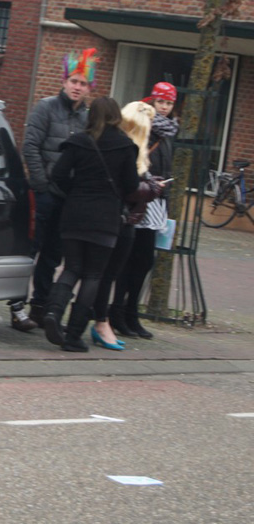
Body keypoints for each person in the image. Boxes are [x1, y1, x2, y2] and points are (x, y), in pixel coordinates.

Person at [42, 97, 139, 352]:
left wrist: (75, 191)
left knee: (71, 268)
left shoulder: (78, 142)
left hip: (74, 213)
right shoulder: (125, 146)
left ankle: (52, 312)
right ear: (116, 116)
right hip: (105, 218)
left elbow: (58, 175)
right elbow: (131, 186)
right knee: (93, 275)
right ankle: (74, 335)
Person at [16, 48, 92, 331]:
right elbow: (31, 146)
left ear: (89, 88)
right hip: (44, 193)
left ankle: (40, 306)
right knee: (31, 250)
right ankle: (17, 306)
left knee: (53, 254)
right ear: (64, 81)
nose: (77, 87)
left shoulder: (87, 119)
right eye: (74, 81)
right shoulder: (46, 108)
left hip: (68, 197)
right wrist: (42, 185)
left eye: (83, 83)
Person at [111, 83, 179, 339]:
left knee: (144, 261)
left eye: (169, 103)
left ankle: (130, 312)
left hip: (157, 200)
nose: (164, 107)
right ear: (152, 101)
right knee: (132, 259)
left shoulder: (169, 132)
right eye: (160, 102)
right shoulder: (143, 125)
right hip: (142, 198)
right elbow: (137, 160)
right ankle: (119, 312)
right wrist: (150, 181)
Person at [95, 101, 163, 344]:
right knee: (114, 268)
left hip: (142, 212)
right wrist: (152, 187)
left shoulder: (159, 140)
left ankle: (122, 314)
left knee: (139, 263)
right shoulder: (127, 147)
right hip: (125, 214)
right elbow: (129, 186)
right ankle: (109, 316)